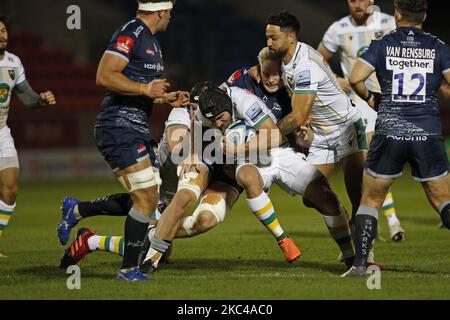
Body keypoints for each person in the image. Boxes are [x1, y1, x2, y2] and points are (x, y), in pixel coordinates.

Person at [57, 0, 189, 281]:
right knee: (146, 200)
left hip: (136, 126)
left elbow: (142, 89)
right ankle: (128, 270)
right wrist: (145, 87)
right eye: (171, 13)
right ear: (162, 11)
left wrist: (164, 97)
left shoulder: (151, 41)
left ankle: (78, 210)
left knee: (147, 199)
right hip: (118, 125)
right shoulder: (131, 33)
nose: (171, 18)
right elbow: (104, 75)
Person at [342, 0, 450, 277]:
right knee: (442, 200)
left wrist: (371, 98)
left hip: (389, 131)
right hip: (426, 132)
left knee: (370, 200)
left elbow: (355, 78)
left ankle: (360, 266)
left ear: (397, 15)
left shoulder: (381, 44)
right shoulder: (438, 46)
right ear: (424, 16)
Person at [317, 0, 405, 241]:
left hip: (389, 99)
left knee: (384, 163)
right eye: (352, 0)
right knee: (368, 162)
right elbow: (319, 58)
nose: (357, 4)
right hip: (359, 103)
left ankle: (377, 220)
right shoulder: (338, 28)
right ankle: (380, 222)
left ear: (372, 1)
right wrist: (335, 79)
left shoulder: (388, 23)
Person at [0, 16, 56, 258]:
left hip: (1, 132)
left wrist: (41, 100)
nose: (2, 35)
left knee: (10, 189)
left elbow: (28, 98)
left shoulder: (14, 62)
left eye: (3, 31)